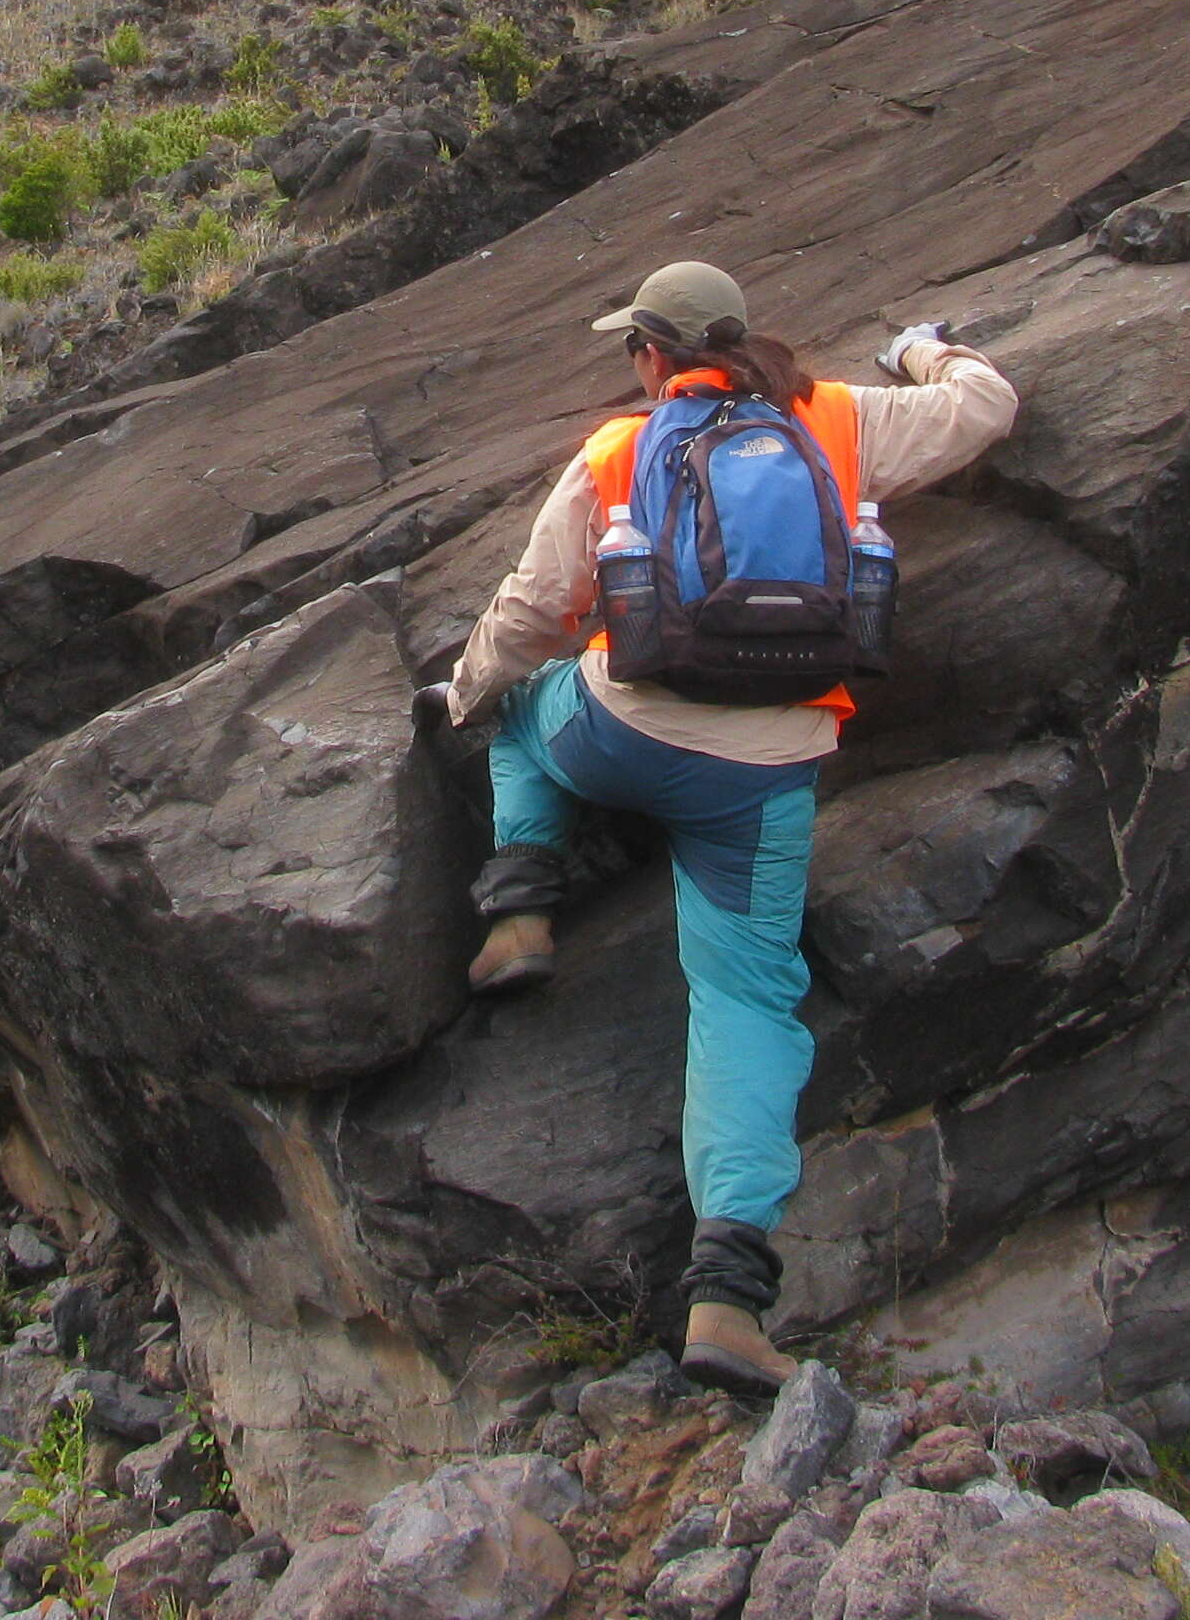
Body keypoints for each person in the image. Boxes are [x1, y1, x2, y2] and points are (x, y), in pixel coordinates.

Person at [429, 259, 1018, 1396]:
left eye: (632, 351)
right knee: (745, 999)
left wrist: (462, 697)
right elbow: (985, 407)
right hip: (767, 768)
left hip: (625, 729)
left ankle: (520, 909)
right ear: (739, 339)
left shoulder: (617, 450)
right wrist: (925, 348)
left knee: (517, 712)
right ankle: (729, 1301)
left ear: (653, 356)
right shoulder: (833, 417)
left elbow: (534, 611)